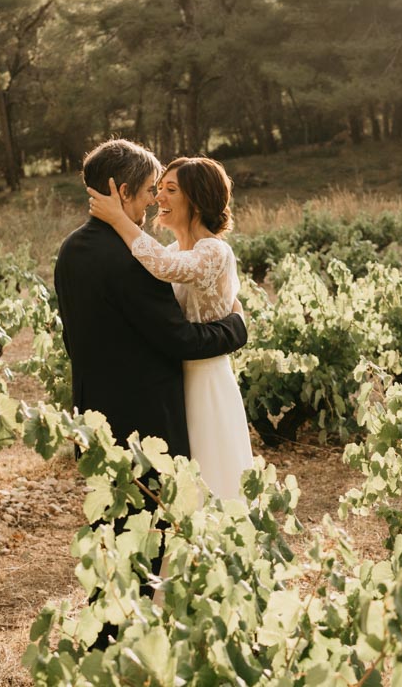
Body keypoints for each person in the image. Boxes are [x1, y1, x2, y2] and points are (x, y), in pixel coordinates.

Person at [53, 138, 249, 645]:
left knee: (114, 535)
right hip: (146, 421)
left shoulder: (71, 250)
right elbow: (178, 338)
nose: (151, 201)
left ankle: (110, 637)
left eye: (162, 191)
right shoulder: (129, 258)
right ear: (120, 191)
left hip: (95, 418)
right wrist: (236, 328)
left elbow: (75, 339)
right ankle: (120, 645)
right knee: (144, 540)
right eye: (145, 191)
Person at [87, 156, 256, 502]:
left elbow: (163, 267)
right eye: (158, 188)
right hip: (172, 381)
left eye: (171, 190)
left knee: (212, 474)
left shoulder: (214, 251)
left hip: (206, 380)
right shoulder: (171, 249)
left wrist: (119, 218)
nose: (158, 197)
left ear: (198, 200)